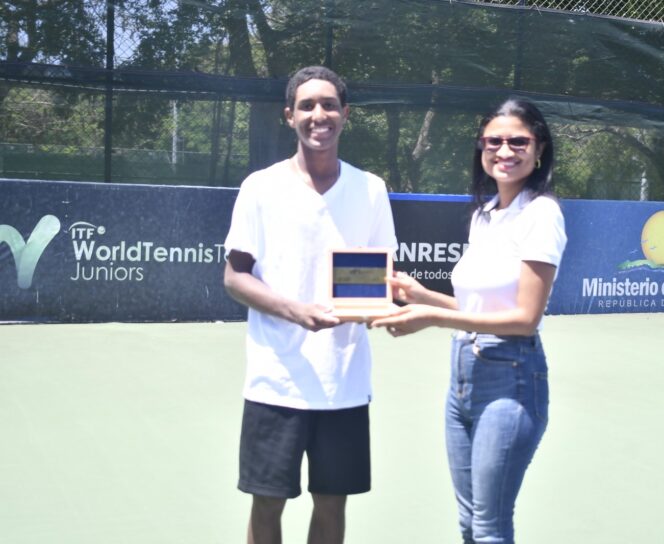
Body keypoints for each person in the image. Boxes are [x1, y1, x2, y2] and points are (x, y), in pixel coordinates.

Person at [372, 98, 567, 544]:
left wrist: (431, 316)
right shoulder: (485, 215)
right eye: (493, 142)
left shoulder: (542, 214)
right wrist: (422, 295)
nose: (504, 151)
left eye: (518, 142)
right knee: (469, 523)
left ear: (539, 149)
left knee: (489, 527)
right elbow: (478, 307)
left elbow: (524, 319)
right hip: (462, 378)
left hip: (511, 378)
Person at [223, 65, 397, 544]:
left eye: (329, 105)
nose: (319, 115)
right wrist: (296, 311)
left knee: (332, 504)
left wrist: (382, 307)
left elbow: (379, 278)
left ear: (345, 114)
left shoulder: (371, 189)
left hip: (344, 383)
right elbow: (234, 276)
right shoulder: (260, 187)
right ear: (289, 115)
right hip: (275, 382)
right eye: (307, 105)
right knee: (266, 504)